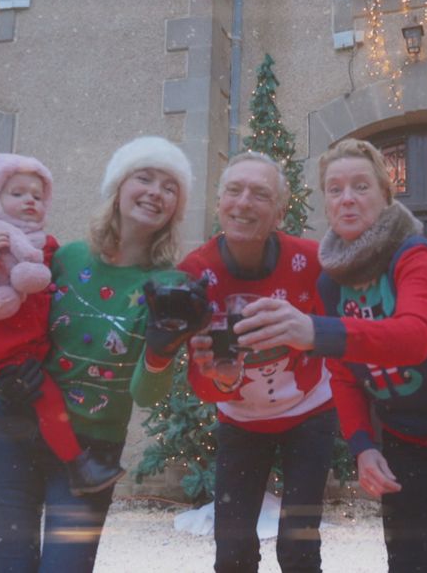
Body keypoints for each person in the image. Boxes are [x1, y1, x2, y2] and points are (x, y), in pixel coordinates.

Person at [235, 138, 427, 572]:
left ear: (385, 195)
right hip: (406, 437)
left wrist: (316, 331)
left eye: (361, 186)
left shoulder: (415, 254)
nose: (347, 198)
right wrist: (363, 447)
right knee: (407, 563)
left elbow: (415, 337)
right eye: (335, 189)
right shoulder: (331, 282)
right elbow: (345, 374)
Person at [0, 136, 206, 572]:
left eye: (170, 187)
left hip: (91, 453)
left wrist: (160, 352)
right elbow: (2, 320)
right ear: (118, 187)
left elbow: (146, 395)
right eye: (144, 178)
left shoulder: (168, 286)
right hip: (13, 433)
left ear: (177, 207)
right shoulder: (65, 258)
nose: (156, 192)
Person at [182, 151, 336, 573]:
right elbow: (199, 378)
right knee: (232, 549)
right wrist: (222, 380)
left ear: (280, 212)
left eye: (260, 194)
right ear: (219, 203)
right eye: (234, 190)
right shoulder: (195, 272)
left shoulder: (312, 260)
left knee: (299, 545)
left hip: (310, 411)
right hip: (240, 419)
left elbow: (340, 335)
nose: (244, 202)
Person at [0, 148, 124, 497]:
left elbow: (61, 290)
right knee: (49, 401)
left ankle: (62, 463)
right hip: (2, 350)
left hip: (36, 349)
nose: (30, 201)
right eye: (17, 193)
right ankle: (79, 467)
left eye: (38, 197)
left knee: (47, 401)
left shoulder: (46, 247)